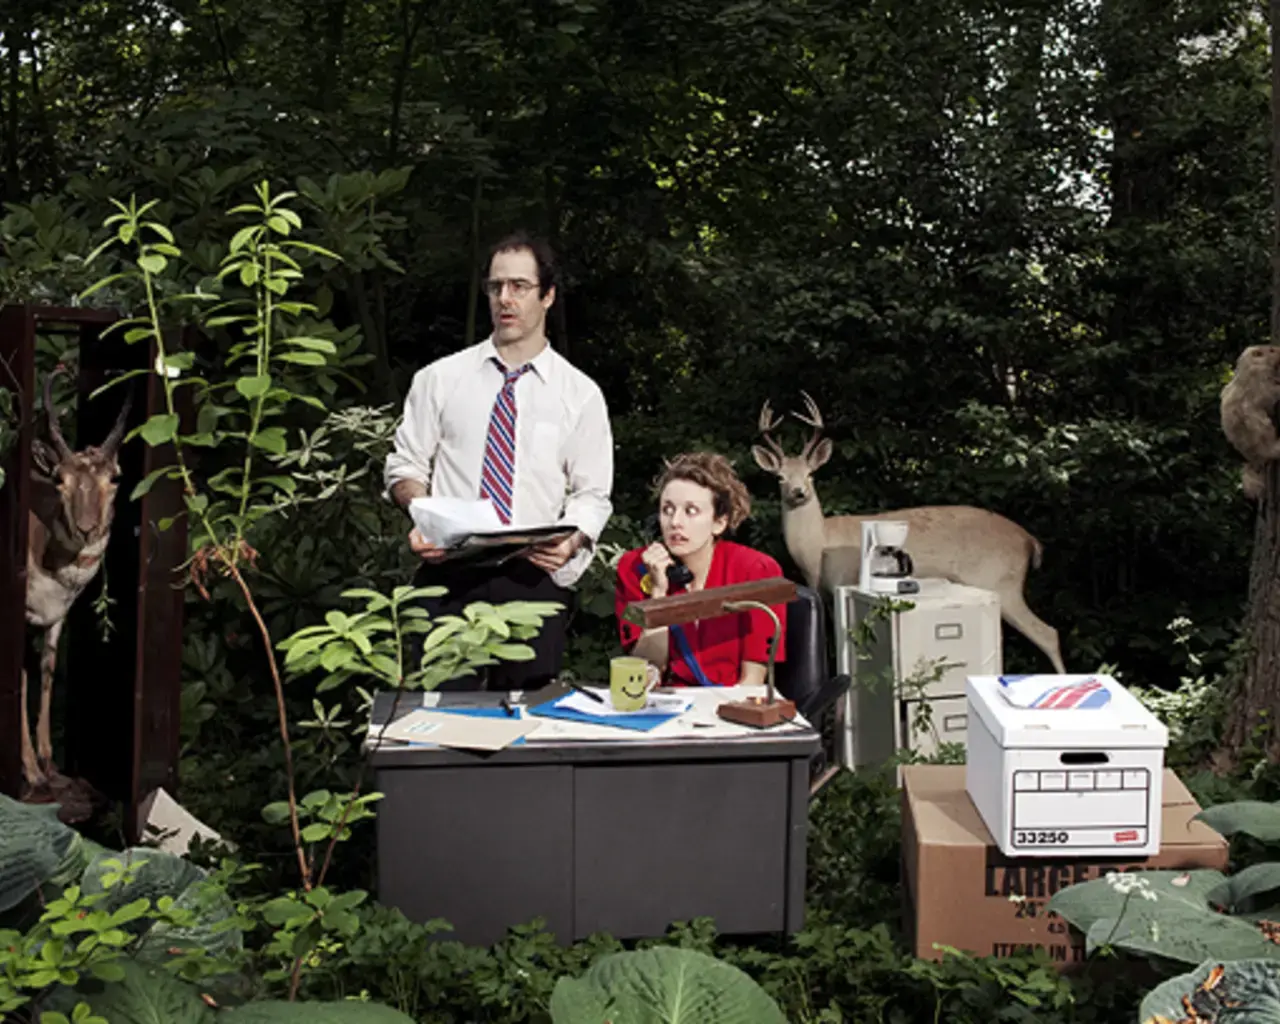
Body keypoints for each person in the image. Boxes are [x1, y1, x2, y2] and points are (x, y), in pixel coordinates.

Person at [384, 231, 614, 689]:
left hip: (532, 576)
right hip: (448, 572)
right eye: (495, 287)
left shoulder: (580, 395)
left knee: (526, 730)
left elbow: (592, 493)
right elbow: (404, 468)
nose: (504, 299)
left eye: (519, 287)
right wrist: (423, 515)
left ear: (547, 295)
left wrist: (571, 539)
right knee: (441, 723)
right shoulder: (440, 379)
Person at [614, 452, 787, 687]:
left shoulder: (756, 571)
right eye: (667, 509)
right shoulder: (635, 568)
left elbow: (753, 680)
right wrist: (658, 595)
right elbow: (644, 673)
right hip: (664, 705)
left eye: (691, 511)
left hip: (729, 703)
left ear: (719, 522)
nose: (675, 522)